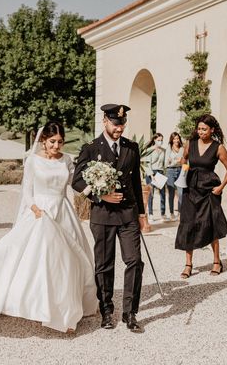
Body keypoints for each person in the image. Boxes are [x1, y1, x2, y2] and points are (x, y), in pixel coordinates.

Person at [0, 122, 97, 332]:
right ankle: (37, 304)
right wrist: (36, 209)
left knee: (68, 260)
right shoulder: (32, 161)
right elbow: (27, 192)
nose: (56, 146)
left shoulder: (66, 160)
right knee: (36, 259)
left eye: (60, 142)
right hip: (39, 212)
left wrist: (95, 183)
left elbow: (75, 185)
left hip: (63, 211)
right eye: (52, 142)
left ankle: (66, 308)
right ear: (43, 141)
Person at [73, 104, 147, 332]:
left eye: (122, 124)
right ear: (105, 121)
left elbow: (135, 182)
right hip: (103, 215)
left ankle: (129, 312)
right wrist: (100, 195)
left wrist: (142, 214)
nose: (120, 128)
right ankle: (106, 310)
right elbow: (77, 181)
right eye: (116, 124)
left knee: (134, 260)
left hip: (127, 215)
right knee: (104, 265)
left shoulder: (132, 148)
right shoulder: (91, 148)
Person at [175, 114, 227, 279]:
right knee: (188, 223)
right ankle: (188, 264)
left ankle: (216, 261)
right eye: (199, 128)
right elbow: (184, 160)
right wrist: (184, 168)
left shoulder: (218, 147)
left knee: (211, 224)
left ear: (212, 130)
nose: (200, 132)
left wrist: (221, 187)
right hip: (190, 189)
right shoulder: (190, 144)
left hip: (209, 190)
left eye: (204, 129)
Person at [144, 133, 167, 221]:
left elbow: (164, 164)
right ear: (154, 140)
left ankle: (163, 213)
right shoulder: (149, 150)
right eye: (158, 140)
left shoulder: (163, 150)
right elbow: (147, 163)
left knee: (163, 193)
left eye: (161, 140)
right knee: (151, 194)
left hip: (160, 172)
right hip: (151, 172)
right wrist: (151, 175)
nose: (160, 142)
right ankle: (150, 214)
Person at [165, 132, 184, 221]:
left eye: (177, 138)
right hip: (170, 171)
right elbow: (166, 162)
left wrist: (173, 160)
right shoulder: (169, 148)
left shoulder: (182, 149)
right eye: (174, 139)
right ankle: (172, 213)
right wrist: (176, 160)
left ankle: (180, 213)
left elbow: (182, 160)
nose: (176, 140)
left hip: (180, 170)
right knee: (171, 193)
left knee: (181, 193)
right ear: (172, 140)